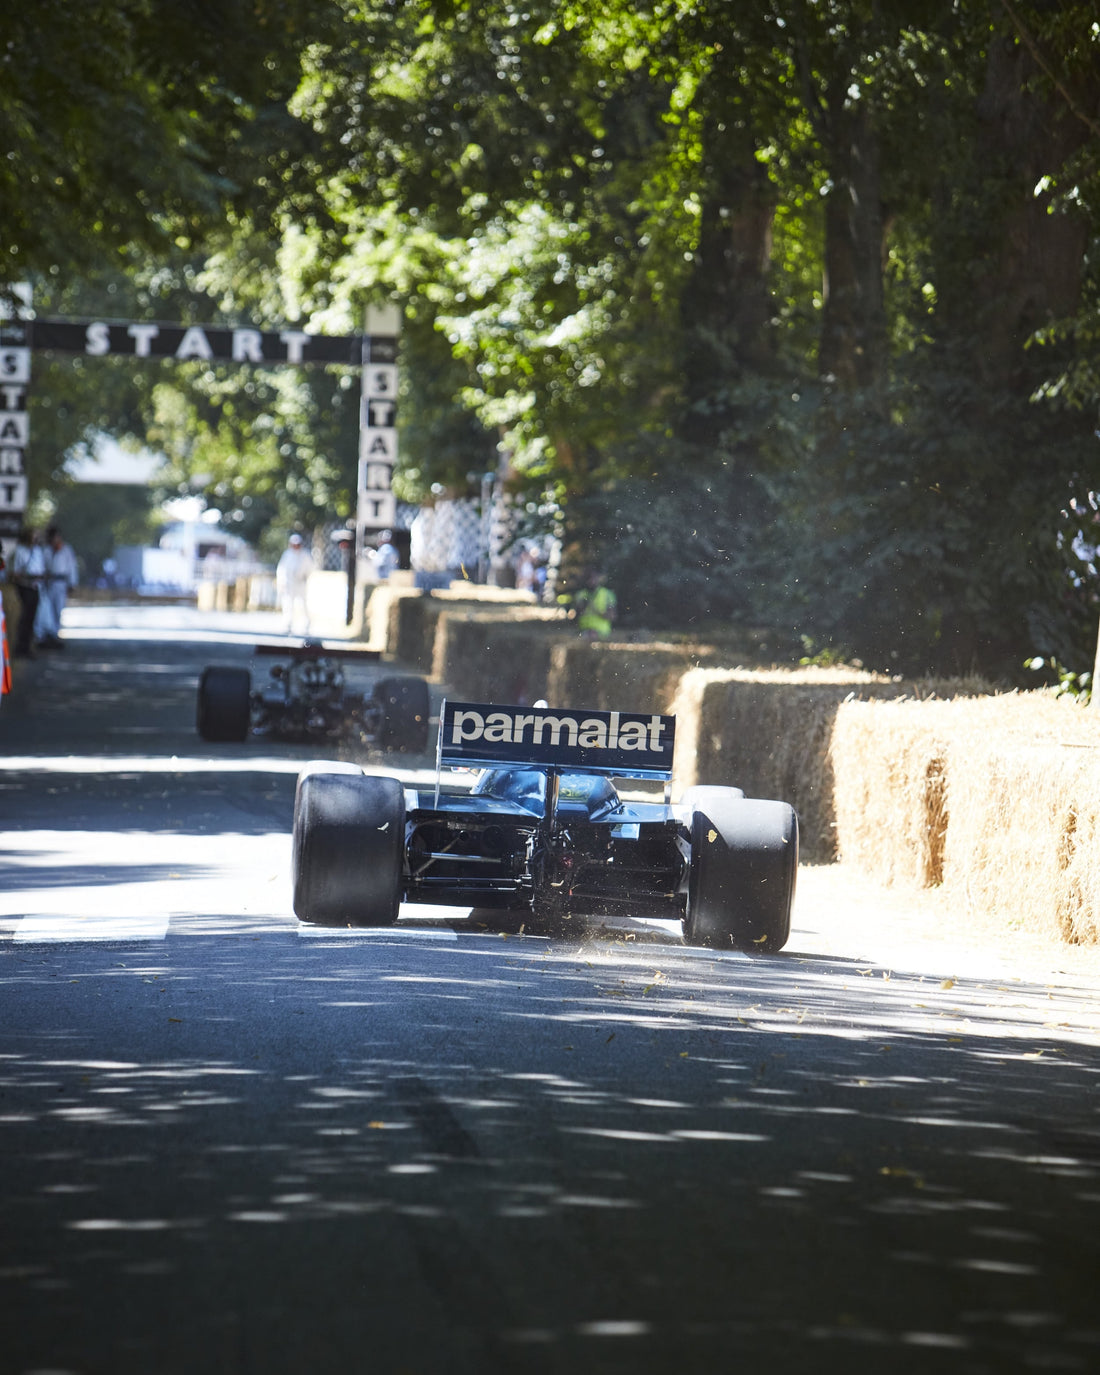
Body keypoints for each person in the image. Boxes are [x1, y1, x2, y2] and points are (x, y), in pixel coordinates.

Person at [35, 525, 78, 648]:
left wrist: (72, 583)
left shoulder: (66, 549)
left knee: (58, 608)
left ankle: (55, 634)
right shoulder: (46, 550)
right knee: (46, 609)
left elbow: (71, 567)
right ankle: (45, 634)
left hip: (61, 582)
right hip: (49, 581)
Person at [11, 528, 46, 658]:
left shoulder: (37, 551)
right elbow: (16, 571)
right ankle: (21, 646)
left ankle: (28, 646)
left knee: (32, 617)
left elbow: (41, 568)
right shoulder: (20, 551)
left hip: (36, 586)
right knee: (25, 617)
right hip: (25, 586)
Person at [276, 532, 314, 636]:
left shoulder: (305, 555)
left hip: (300, 582)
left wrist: (305, 576)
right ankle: (287, 625)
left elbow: (310, 568)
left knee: (302, 605)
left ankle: (306, 626)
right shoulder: (287, 554)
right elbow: (281, 569)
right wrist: (281, 582)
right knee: (288, 604)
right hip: (289, 583)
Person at [572, 567, 617, 641]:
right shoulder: (580, 595)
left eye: (593, 578)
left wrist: (599, 612)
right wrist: (583, 605)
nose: (591, 581)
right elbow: (575, 617)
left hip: (602, 633)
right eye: (588, 578)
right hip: (583, 631)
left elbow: (612, 616)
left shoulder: (607, 594)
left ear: (598, 578)